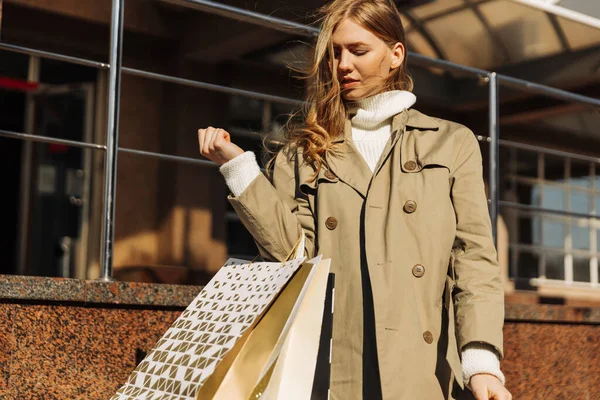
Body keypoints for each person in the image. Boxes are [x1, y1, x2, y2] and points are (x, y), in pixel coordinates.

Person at [197, 0, 511, 399]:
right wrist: (240, 168)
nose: (343, 64)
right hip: (335, 366)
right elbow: (293, 259)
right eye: (335, 52)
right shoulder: (303, 150)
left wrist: (482, 362)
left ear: (395, 54)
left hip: (423, 366)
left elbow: (473, 259)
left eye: (358, 51)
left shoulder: (451, 142)